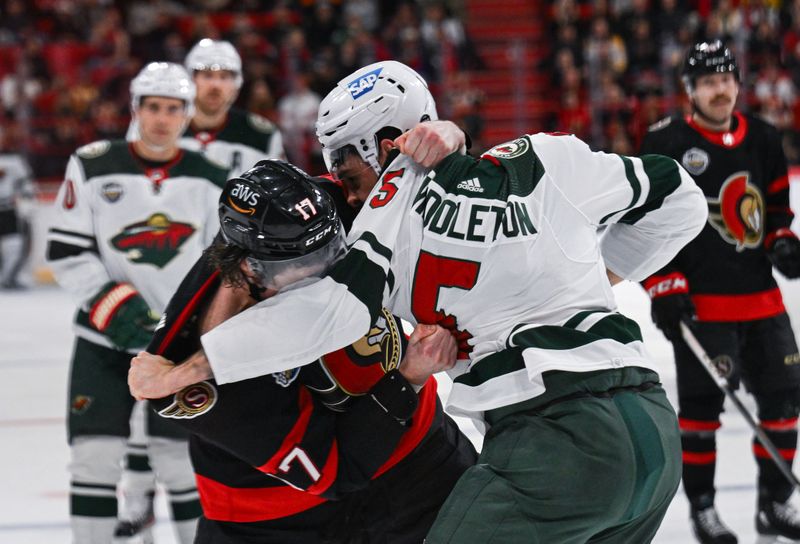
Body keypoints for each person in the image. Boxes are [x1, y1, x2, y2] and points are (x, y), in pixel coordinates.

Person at [130, 60, 708, 542]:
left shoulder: (382, 224)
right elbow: (682, 195)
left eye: (343, 162)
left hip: (547, 439)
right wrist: (609, 274)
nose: (339, 181)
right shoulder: (550, 155)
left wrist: (185, 368)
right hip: (651, 424)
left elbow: (330, 312)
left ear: (383, 147)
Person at [128, 160, 477, 543]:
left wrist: (435, 140)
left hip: (419, 463)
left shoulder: (306, 219)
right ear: (253, 272)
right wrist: (407, 379)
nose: (327, 269)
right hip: (276, 524)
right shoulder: (208, 391)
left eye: (331, 248)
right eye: (305, 265)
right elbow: (339, 467)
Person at [45, 62, 229, 544]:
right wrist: (113, 307)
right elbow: (66, 251)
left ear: (187, 114)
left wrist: (193, 328)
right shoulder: (91, 163)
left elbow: (223, 265)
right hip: (101, 343)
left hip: (175, 348)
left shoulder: (212, 176)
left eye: (173, 108)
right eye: (153, 107)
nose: (162, 118)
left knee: (180, 462)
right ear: (135, 108)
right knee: (93, 458)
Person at [117, 38, 287, 541]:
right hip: (171, 277)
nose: (214, 82)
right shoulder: (158, 122)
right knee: (141, 391)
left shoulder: (260, 134)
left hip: (235, 277)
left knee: (220, 388)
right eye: (204, 72)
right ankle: (140, 488)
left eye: (225, 74)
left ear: (237, 84)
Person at [639, 40, 800, 544]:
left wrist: (783, 243)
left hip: (761, 300)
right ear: (690, 90)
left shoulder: (766, 140)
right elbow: (641, 226)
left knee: (783, 404)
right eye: (709, 82)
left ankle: (774, 505)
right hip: (702, 307)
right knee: (702, 414)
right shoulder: (665, 142)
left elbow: (776, 214)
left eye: (727, 79)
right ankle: (704, 511)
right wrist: (662, 284)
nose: (721, 90)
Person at [181, 38, 285, 175]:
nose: (215, 86)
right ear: (190, 80)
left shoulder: (262, 136)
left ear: (237, 84)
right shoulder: (160, 129)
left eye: (224, 77)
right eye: (207, 75)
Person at [0, 136, 34, 289]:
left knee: (14, 247)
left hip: (8, 209)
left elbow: (26, 184)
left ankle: (8, 278)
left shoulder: (14, 159)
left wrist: (27, 198)